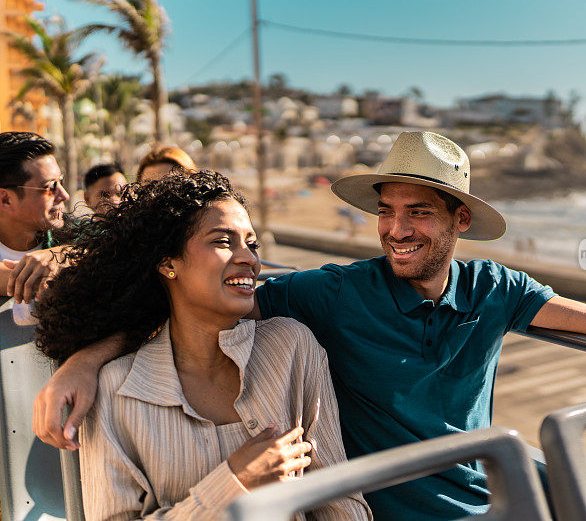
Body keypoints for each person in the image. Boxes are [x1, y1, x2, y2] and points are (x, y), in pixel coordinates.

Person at [35, 132, 586, 521]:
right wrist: (87, 359)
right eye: (387, 210)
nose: (396, 230)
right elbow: (199, 301)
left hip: (497, 501)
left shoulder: (496, 287)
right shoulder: (331, 296)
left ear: (460, 221)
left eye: (419, 213)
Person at [34, 171, 370, 519]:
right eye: (224, 242)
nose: (250, 259)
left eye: (252, 244)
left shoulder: (292, 347)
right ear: (167, 262)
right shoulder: (116, 390)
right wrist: (235, 482)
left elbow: (341, 502)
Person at [0, 132, 71, 320]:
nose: (64, 195)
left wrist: (67, 256)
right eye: (51, 187)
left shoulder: (75, 235)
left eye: (61, 182)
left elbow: (124, 249)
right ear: (6, 199)